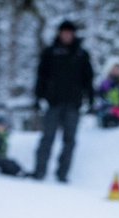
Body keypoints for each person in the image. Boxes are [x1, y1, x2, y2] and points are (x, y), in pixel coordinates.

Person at [32, 19, 94, 183]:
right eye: (64, 32)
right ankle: (39, 171)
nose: (67, 35)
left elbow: (88, 80)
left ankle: (62, 174)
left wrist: (90, 99)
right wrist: (38, 97)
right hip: (53, 102)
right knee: (47, 138)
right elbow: (41, 77)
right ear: (60, 33)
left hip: (73, 104)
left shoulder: (81, 54)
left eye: (69, 33)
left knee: (70, 141)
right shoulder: (50, 53)